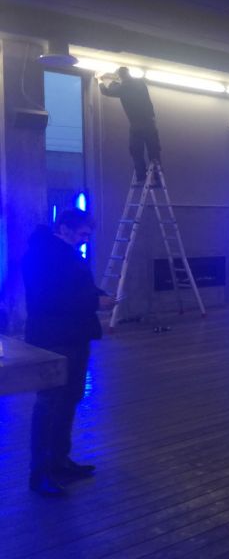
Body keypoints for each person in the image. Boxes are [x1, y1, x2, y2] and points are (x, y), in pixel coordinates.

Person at [23, 209, 115, 496]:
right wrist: (95, 301)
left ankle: (58, 462)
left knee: (67, 399)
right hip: (56, 338)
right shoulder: (47, 255)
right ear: (64, 228)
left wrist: (96, 295)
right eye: (83, 234)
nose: (85, 239)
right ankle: (41, 472)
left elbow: (73, 288)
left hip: (69, 336)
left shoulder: (58, 252)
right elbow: (51, 298)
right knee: (51, 402)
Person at [98, 66, 161, 181]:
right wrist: (116, 82)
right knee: (154, 150)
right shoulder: (140, 83)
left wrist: (100, 80)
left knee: (136, 151)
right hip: (149, 122)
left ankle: (141, 176)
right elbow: (124, 87)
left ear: (120, 76)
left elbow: (106, 91)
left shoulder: (123, 88)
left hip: (136, 125)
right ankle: (157, 176)